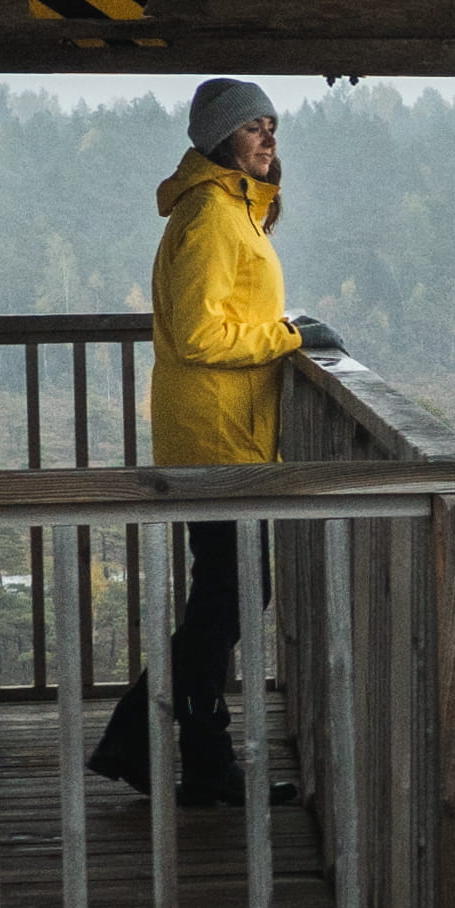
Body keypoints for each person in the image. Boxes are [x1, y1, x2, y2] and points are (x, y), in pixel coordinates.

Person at [144, 75, 338, 806]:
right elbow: (199, 333)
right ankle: (195, 757)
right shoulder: (210, 218)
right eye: (254, 126)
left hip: (231, 432)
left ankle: (186, 752)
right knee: (228, 598)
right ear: (221, 137)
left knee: (224, 597)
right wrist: (287, 335)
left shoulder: (236, 213)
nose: (269, 137)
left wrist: (284, 330)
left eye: (272, 124)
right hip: (213, 436)